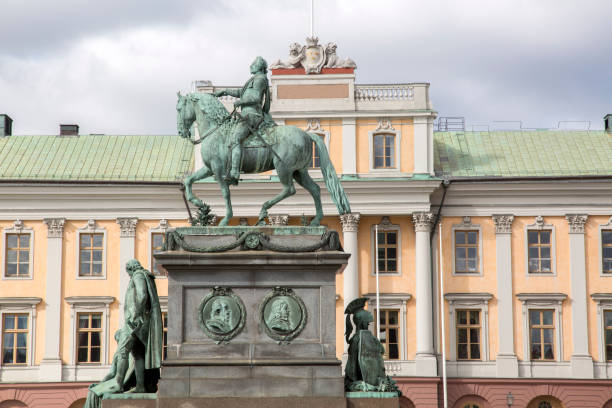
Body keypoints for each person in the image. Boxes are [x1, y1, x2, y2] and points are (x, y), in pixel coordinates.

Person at [213, 56, 272, 184]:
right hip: (247, 114)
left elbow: (256, 97)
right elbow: (242, 92)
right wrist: (225, 91)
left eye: (253, 64)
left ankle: (234, 172)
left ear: (259, 67)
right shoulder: (254, 79)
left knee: (235, 138)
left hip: (253, 115)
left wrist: (241, 101)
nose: (251, 66)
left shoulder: (260, 79)